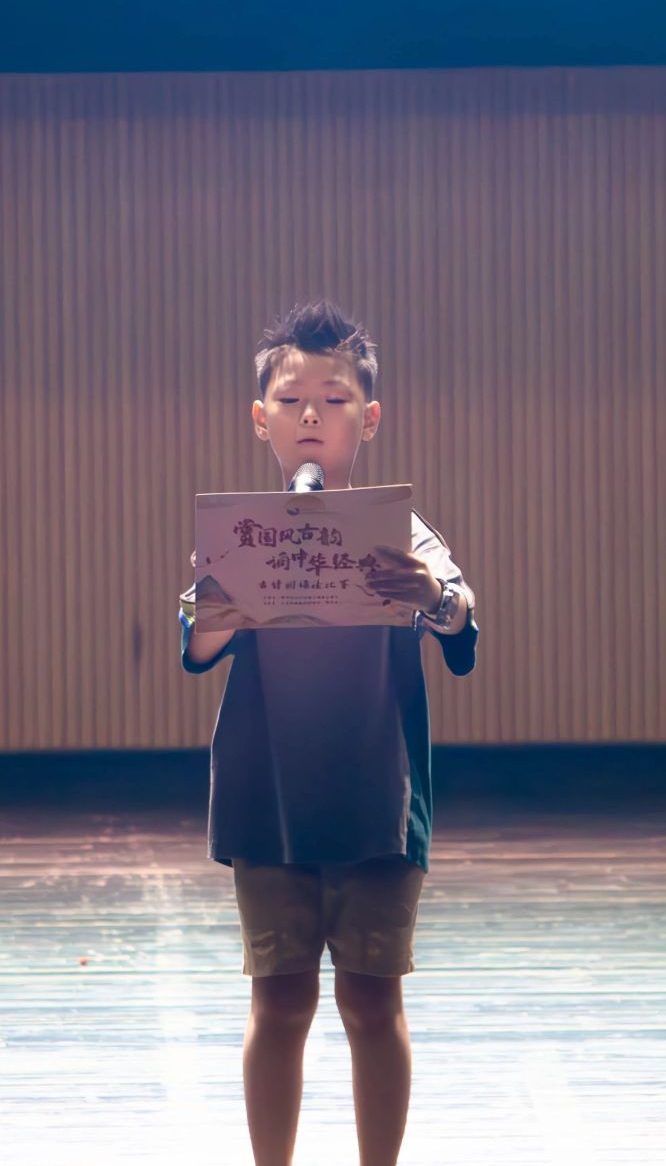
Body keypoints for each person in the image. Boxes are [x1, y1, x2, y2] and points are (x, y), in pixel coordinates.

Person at [178, 298, 478, 1166]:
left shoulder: (403, 535)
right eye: (291, 399)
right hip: (267, 798)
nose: (311, 415)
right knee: (278, 1004)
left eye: (335, 399)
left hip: (377, 800)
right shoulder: (241, 539)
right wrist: (218, 609)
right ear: (260, 418)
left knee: (372, 1002)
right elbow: (196, 645)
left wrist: (434, 597)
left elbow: (462, 618)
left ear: (369, 418)